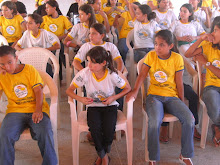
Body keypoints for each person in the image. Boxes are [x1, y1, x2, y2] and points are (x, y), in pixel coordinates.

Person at [126, 29, 195, 165]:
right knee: (154, 122)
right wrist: (135, 91)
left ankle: (185, 155)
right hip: (154, 97)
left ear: (170, 46)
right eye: (156, 44)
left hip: (172, 96)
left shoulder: (177, 58)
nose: (157, 47)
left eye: (161, 44)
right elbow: (142, 75)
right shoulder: (151, 56)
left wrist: (181, 101)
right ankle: (153, 158)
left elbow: (179, 82)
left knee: (189, 119)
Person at [66, 46, 131, 165]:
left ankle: (102, 155)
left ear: (103, 63)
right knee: (94, 128)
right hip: (93, 106)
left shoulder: (111, 74)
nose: (89, 65)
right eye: (88, 61)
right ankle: (104, 156)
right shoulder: (85, 73)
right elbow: (69, 90)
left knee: (109, 128)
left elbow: (127, 88)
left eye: (93, 63)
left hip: (110, 106)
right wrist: (80, 99)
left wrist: (113, 97)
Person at [0, 45, 58, 165]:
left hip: (36, 108)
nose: (7, 67)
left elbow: (38, 91)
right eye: (2, 64)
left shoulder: (29, 70)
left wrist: (38, 110)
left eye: (9, 62)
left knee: (45, 132)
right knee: (5, 135)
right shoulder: (2, 74)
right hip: (14, 112)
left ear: (16, 58)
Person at [185, 22, 220, 147]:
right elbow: (187, 54)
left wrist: (207, 63)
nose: (213, 33)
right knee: (215, 111)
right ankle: (217, 127)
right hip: (211, 87)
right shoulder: (209, 46)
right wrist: (201, 38)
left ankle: (217, 127)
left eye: (216, 30)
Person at [41, 0, 72, 80]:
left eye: (48, 8)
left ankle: (67, 73)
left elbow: (71, 31)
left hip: (58, 42)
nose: (46, 10)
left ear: (54, 8)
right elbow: (39, 30)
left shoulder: (63, 18)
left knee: (60, 49)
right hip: (46, 43)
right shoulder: (44, 18)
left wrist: (61, 37)